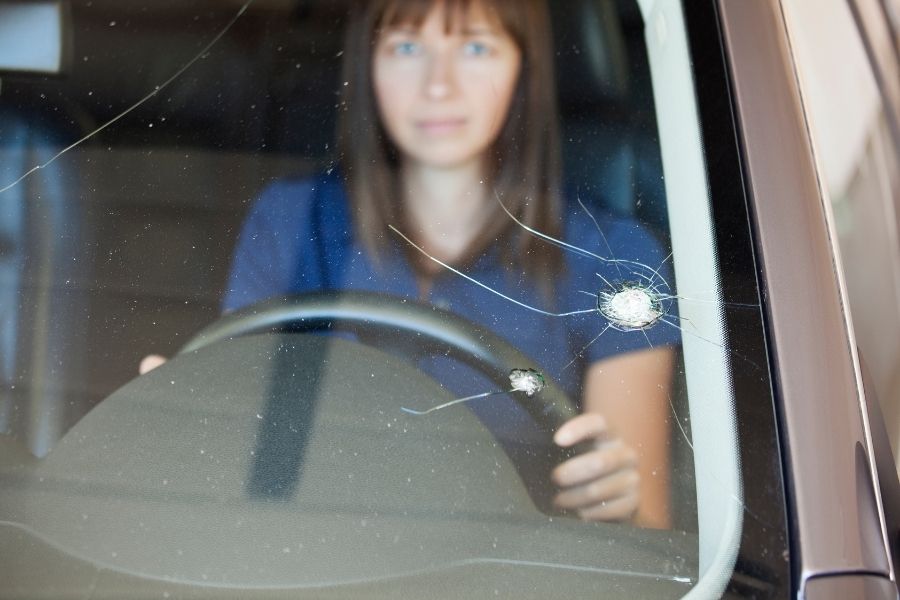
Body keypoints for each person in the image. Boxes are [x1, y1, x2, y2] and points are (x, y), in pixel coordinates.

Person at [145, 0, 677, 527]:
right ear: (367, 65)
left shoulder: (616, 259)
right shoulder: (287, 221)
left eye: (474, 46)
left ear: (524, 69)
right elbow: (242, 448)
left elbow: (642, 533)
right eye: (405, 46)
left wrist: (612, 500)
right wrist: (192, 428)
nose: (438, 85)